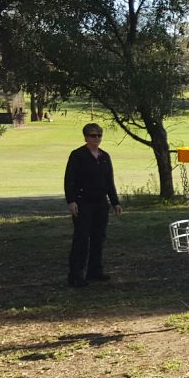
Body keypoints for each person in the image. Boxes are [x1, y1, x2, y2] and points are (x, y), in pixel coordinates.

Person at [64, 123, 122, 287]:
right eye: (92, 135)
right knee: (82, 239)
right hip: (83, 202)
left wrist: (115, 202)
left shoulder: (104, 156)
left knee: (99, 237)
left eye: (99, 135)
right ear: (86, 137)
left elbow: (109, 181)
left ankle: (95, 271)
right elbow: (69, 180)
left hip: (100, 203)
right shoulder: (77, 155)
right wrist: (71, 201)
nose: (96, 138)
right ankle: (76, 275)